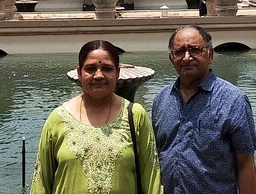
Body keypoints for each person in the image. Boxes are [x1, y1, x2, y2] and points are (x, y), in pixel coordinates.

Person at [31, 40, 163, 194]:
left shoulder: (134, 115)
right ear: (79, 73)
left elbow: (152, 179)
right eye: (91, 69)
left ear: (118, 73)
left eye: (107, 68)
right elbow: (41, 182)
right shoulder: (58, 118)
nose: (99, 75)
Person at [152, 25, 256, 194]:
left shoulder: (233, 100)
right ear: (171, 58)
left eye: (195, 50)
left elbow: (245, 163)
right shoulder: (161, 100)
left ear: (210, 54)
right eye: (179, 52)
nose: (187, 57)